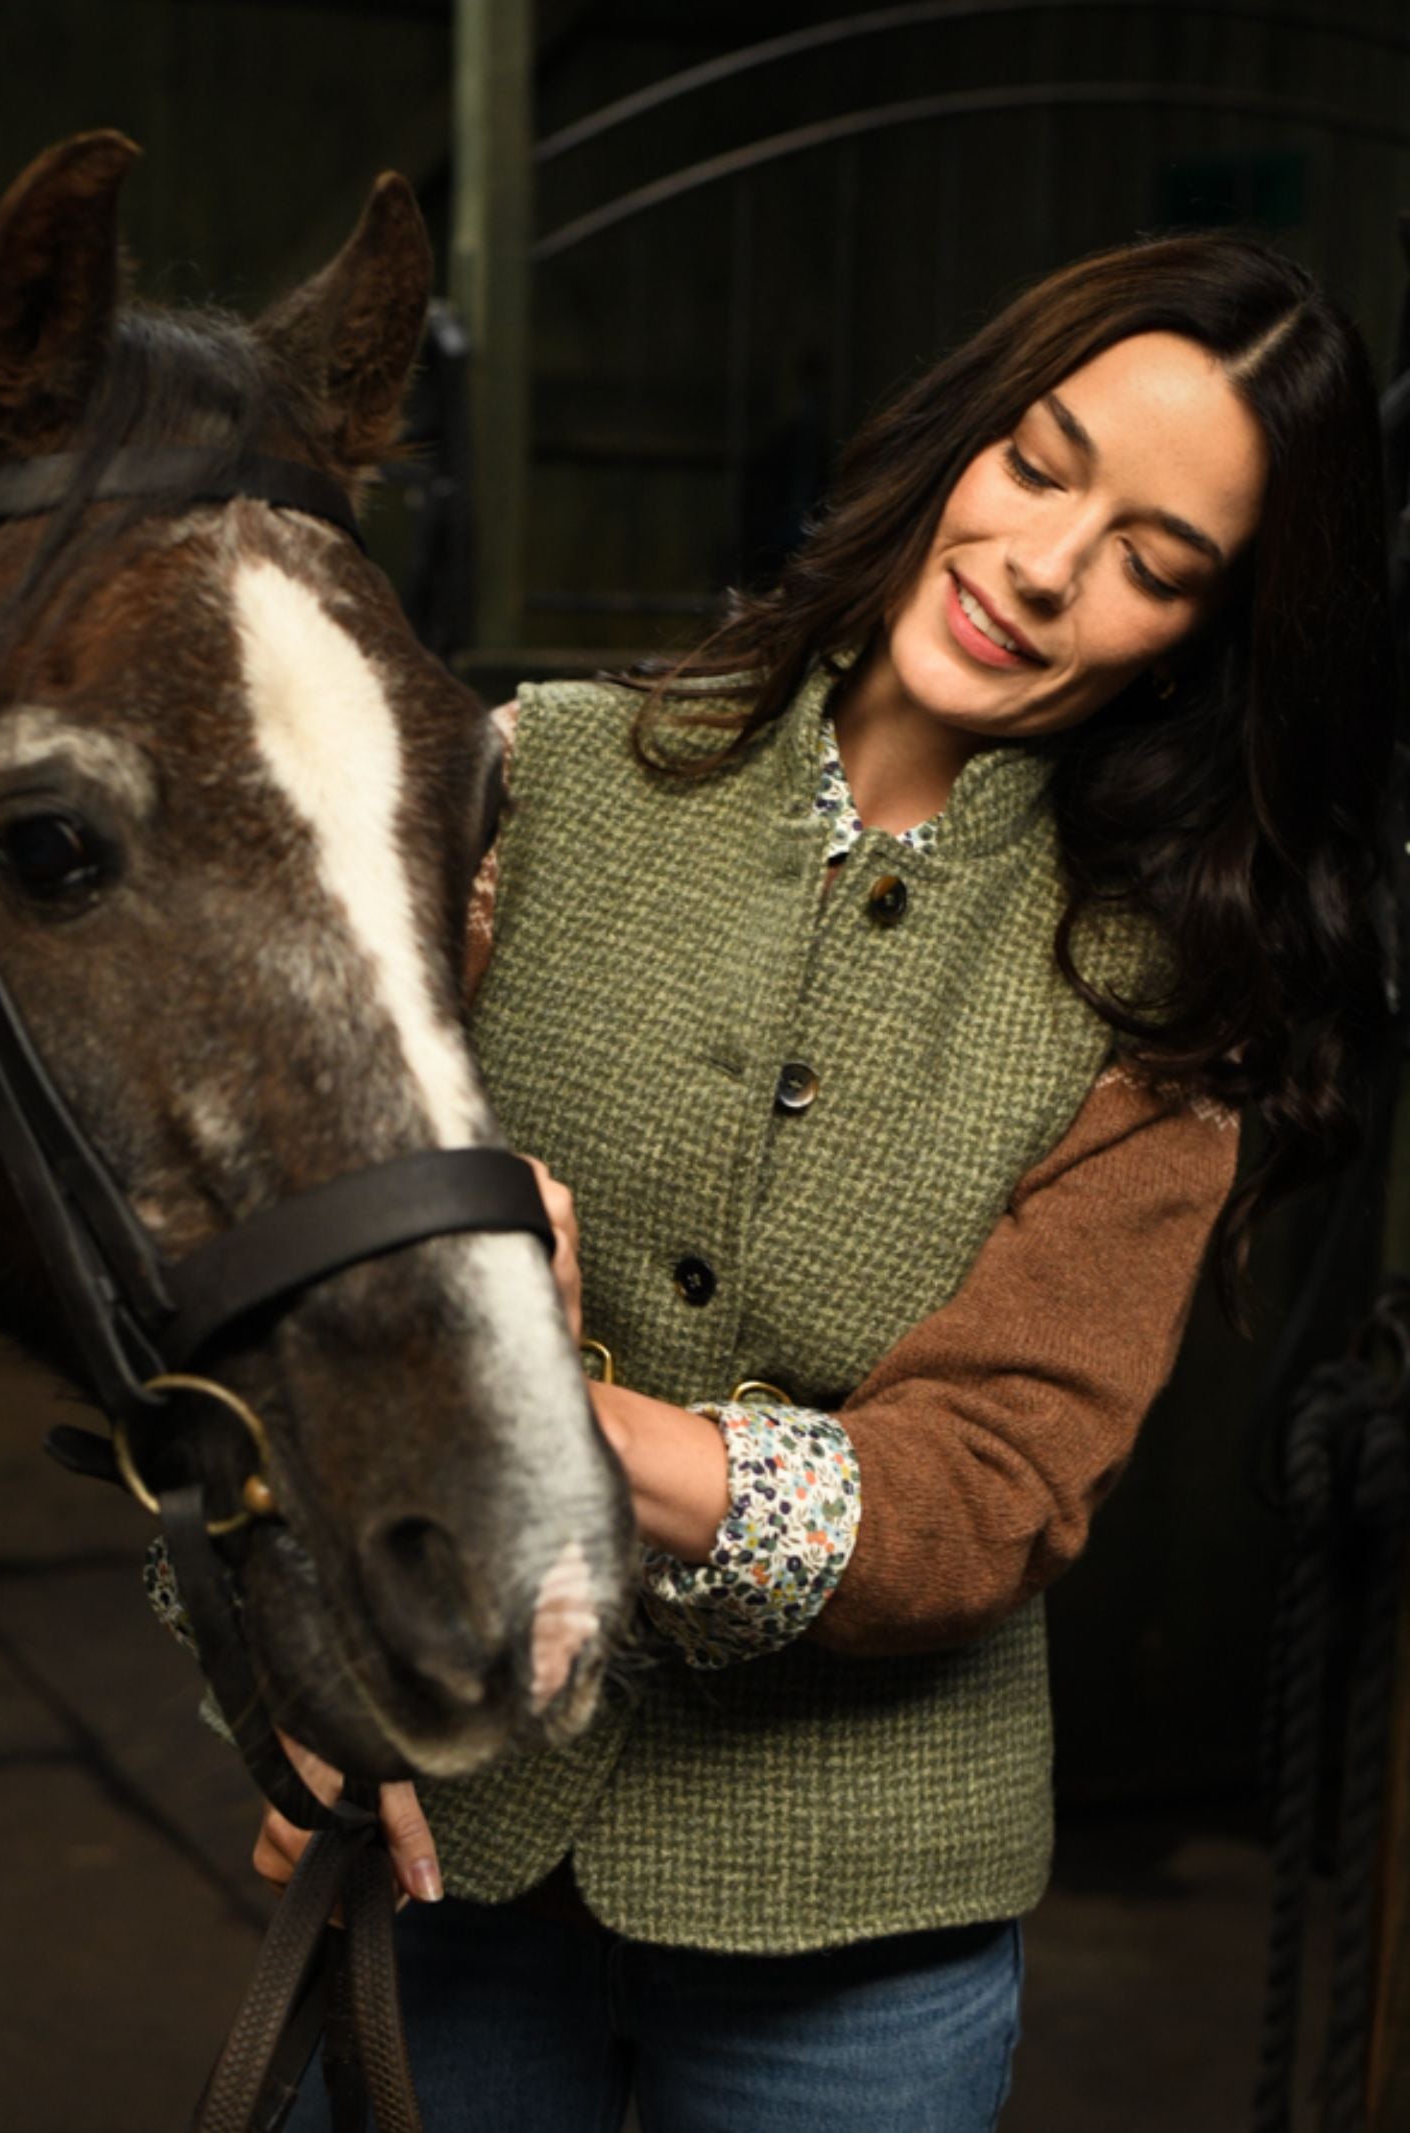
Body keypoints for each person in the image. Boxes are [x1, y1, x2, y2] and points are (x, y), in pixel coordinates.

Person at [254, 231, 1395, 2130]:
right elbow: (256, 1274)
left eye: (1153, 562)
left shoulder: (1174, 1003)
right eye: (1040, 463)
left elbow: (994, 1477)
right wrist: (282, 1667)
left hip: (857, 1944)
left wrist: (561, 1416)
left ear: (1213, 634)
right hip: (451, 1833)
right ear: (966, 438)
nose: (1040, 566)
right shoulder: (546, 781)